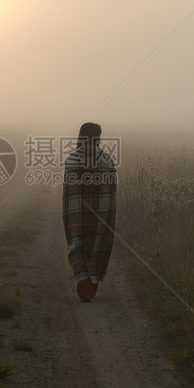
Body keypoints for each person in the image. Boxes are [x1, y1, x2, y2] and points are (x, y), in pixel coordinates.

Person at [62, 122, 117, 302]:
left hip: (77, 214)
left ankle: (83, 284)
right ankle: (91, 286)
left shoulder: (71, 161)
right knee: (99, 245)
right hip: (101, 213)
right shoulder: (107, 161)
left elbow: (68, 194)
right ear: (98, 138)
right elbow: (111, 192)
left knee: (77, 244)